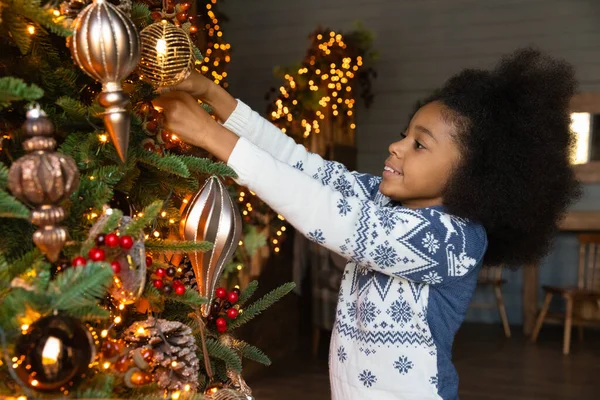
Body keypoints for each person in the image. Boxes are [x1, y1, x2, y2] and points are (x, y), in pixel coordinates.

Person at [153, 48, 581, 400]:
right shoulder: (382, 195)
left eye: (419, 144)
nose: (396, 147)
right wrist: (214, 96)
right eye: (404, 134)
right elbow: (300, 166)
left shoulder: (454, 240)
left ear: (470, 177)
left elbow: (332, 217)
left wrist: (211, 136)